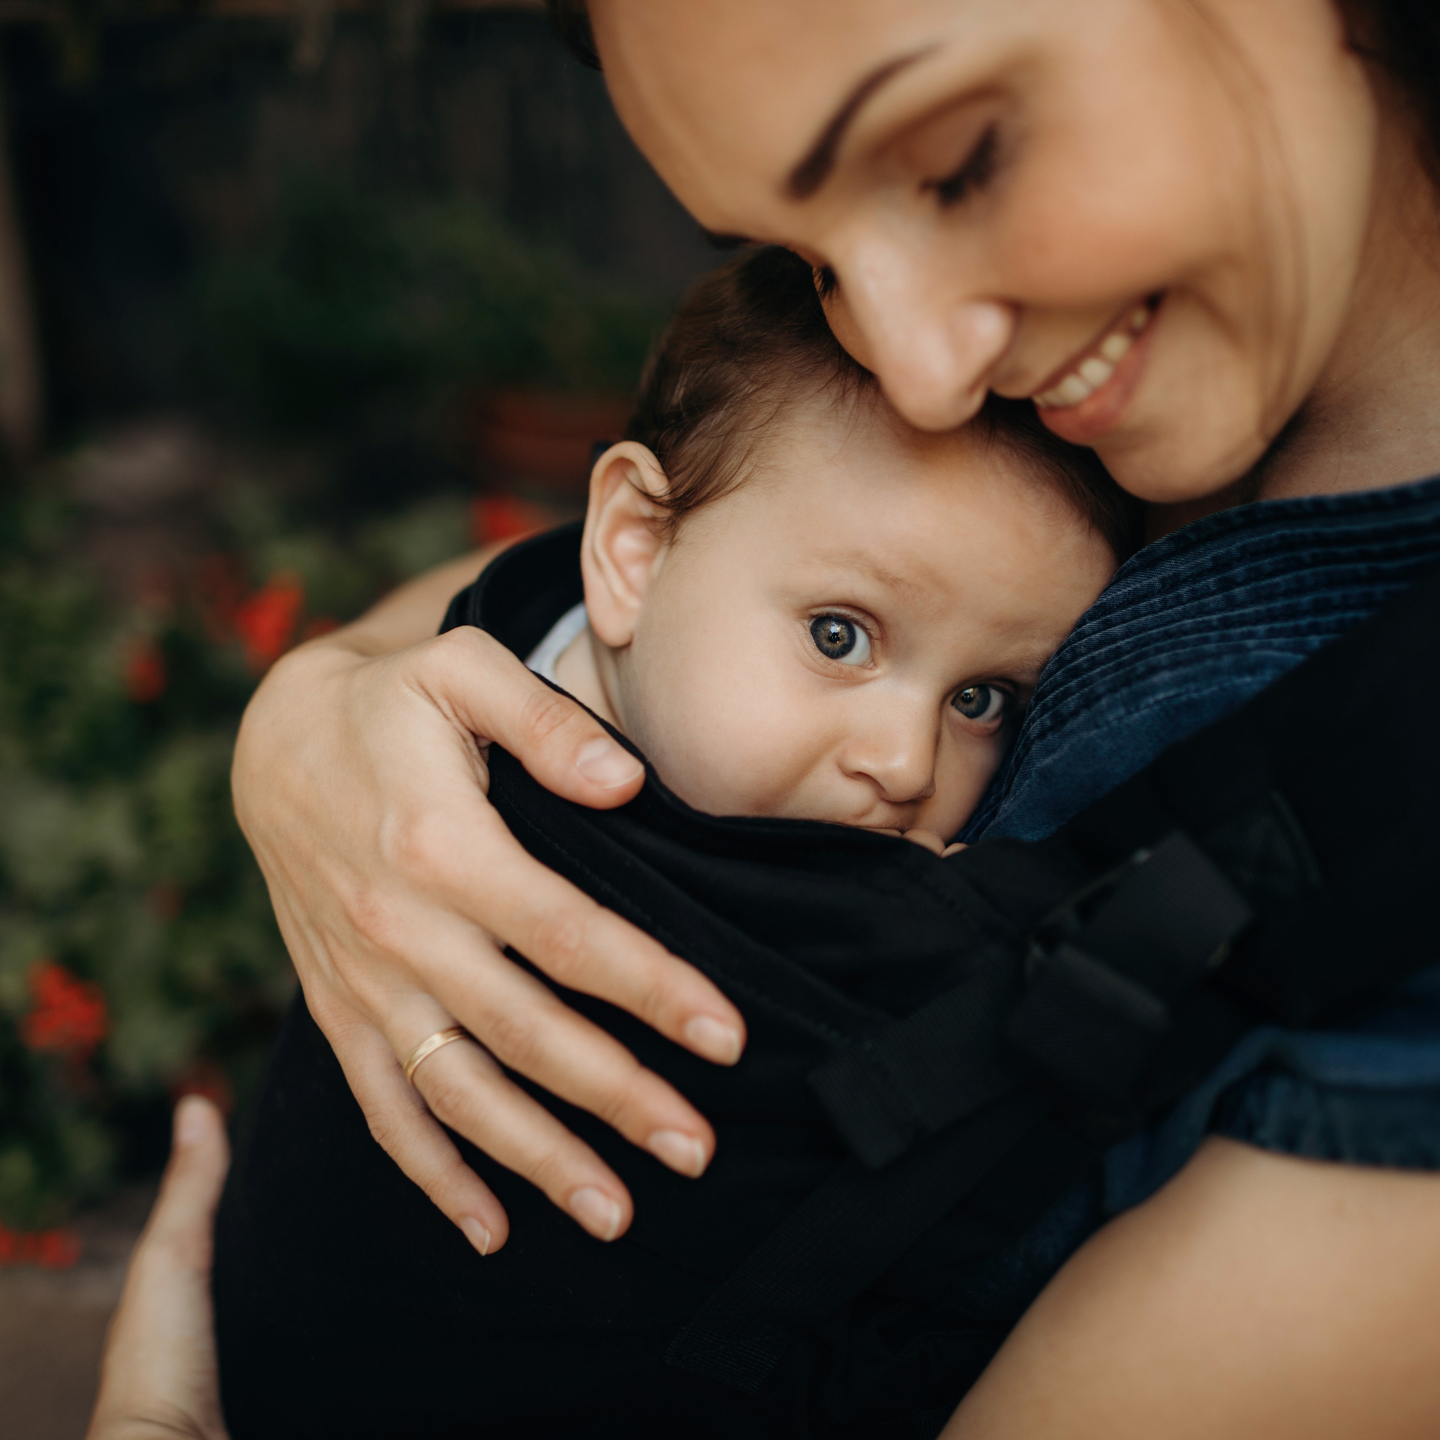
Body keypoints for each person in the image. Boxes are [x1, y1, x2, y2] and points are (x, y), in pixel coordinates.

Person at [226, 0, 1440, 1433]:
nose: (925, 374)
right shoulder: (1142, 374)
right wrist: (322, 707)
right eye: (813, 261)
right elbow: (662, 562)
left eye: (961, 163)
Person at [214, 243, 1135, 1437]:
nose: (906, 763)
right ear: (633, 549)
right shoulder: (640, 879)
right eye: (842, 636)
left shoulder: (524, 626)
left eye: (982, 700)